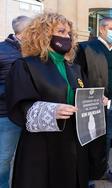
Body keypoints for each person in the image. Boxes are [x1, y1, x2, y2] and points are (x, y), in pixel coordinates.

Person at [6, 12, 97, 188]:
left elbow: (81, 96)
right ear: (43, 34)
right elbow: (20, 105)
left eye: (69, 33)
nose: (66, 36)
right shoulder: (26, 66)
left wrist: (95, 101)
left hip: (73, 140)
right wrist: (51, 111)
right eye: (61, 31)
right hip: (42, 146)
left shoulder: (74, 68)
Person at [74, 17, 112, 185]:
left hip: (111, 104)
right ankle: (87, 176)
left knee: (107, 137)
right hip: (92, 104)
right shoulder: (86, 48)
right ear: (101, 29)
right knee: (91, 139)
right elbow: (77, 76)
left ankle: (102, 169)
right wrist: (90, 96)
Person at [0, 15, 31, 188]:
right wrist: (14, 92)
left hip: (29, 115)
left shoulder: (33, 51)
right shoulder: (2, 50)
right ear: (24, 32)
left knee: (24, 157)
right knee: (4, 159)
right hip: (6, 115)